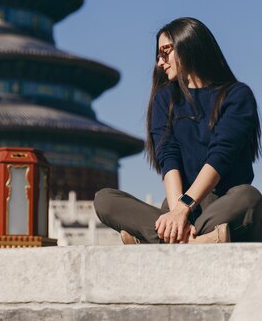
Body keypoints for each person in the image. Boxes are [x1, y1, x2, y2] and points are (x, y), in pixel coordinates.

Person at [94, 17, 262, 244]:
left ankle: (159, 240)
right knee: (104, 200)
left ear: (189, 45)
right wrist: (177, 213)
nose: (160, 62)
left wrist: (184, 208)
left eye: (166, 51)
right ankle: (199, 240)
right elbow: (168, 157)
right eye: (157, 55)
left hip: (224, 203)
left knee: (248, 197)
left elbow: (220, 156)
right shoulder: (165, 99)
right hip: (180, 203)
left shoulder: (237, 95)